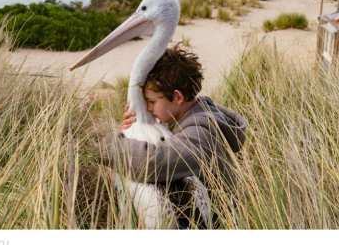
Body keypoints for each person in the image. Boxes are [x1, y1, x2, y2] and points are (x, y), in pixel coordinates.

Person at [100, 44, 247, 228]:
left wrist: (110, 146)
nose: (147, 108)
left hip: (218, 222)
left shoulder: (201, 132)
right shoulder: (188, 113)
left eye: (152, 102)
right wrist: (133, 129)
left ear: (177, 97)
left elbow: (154, 163)